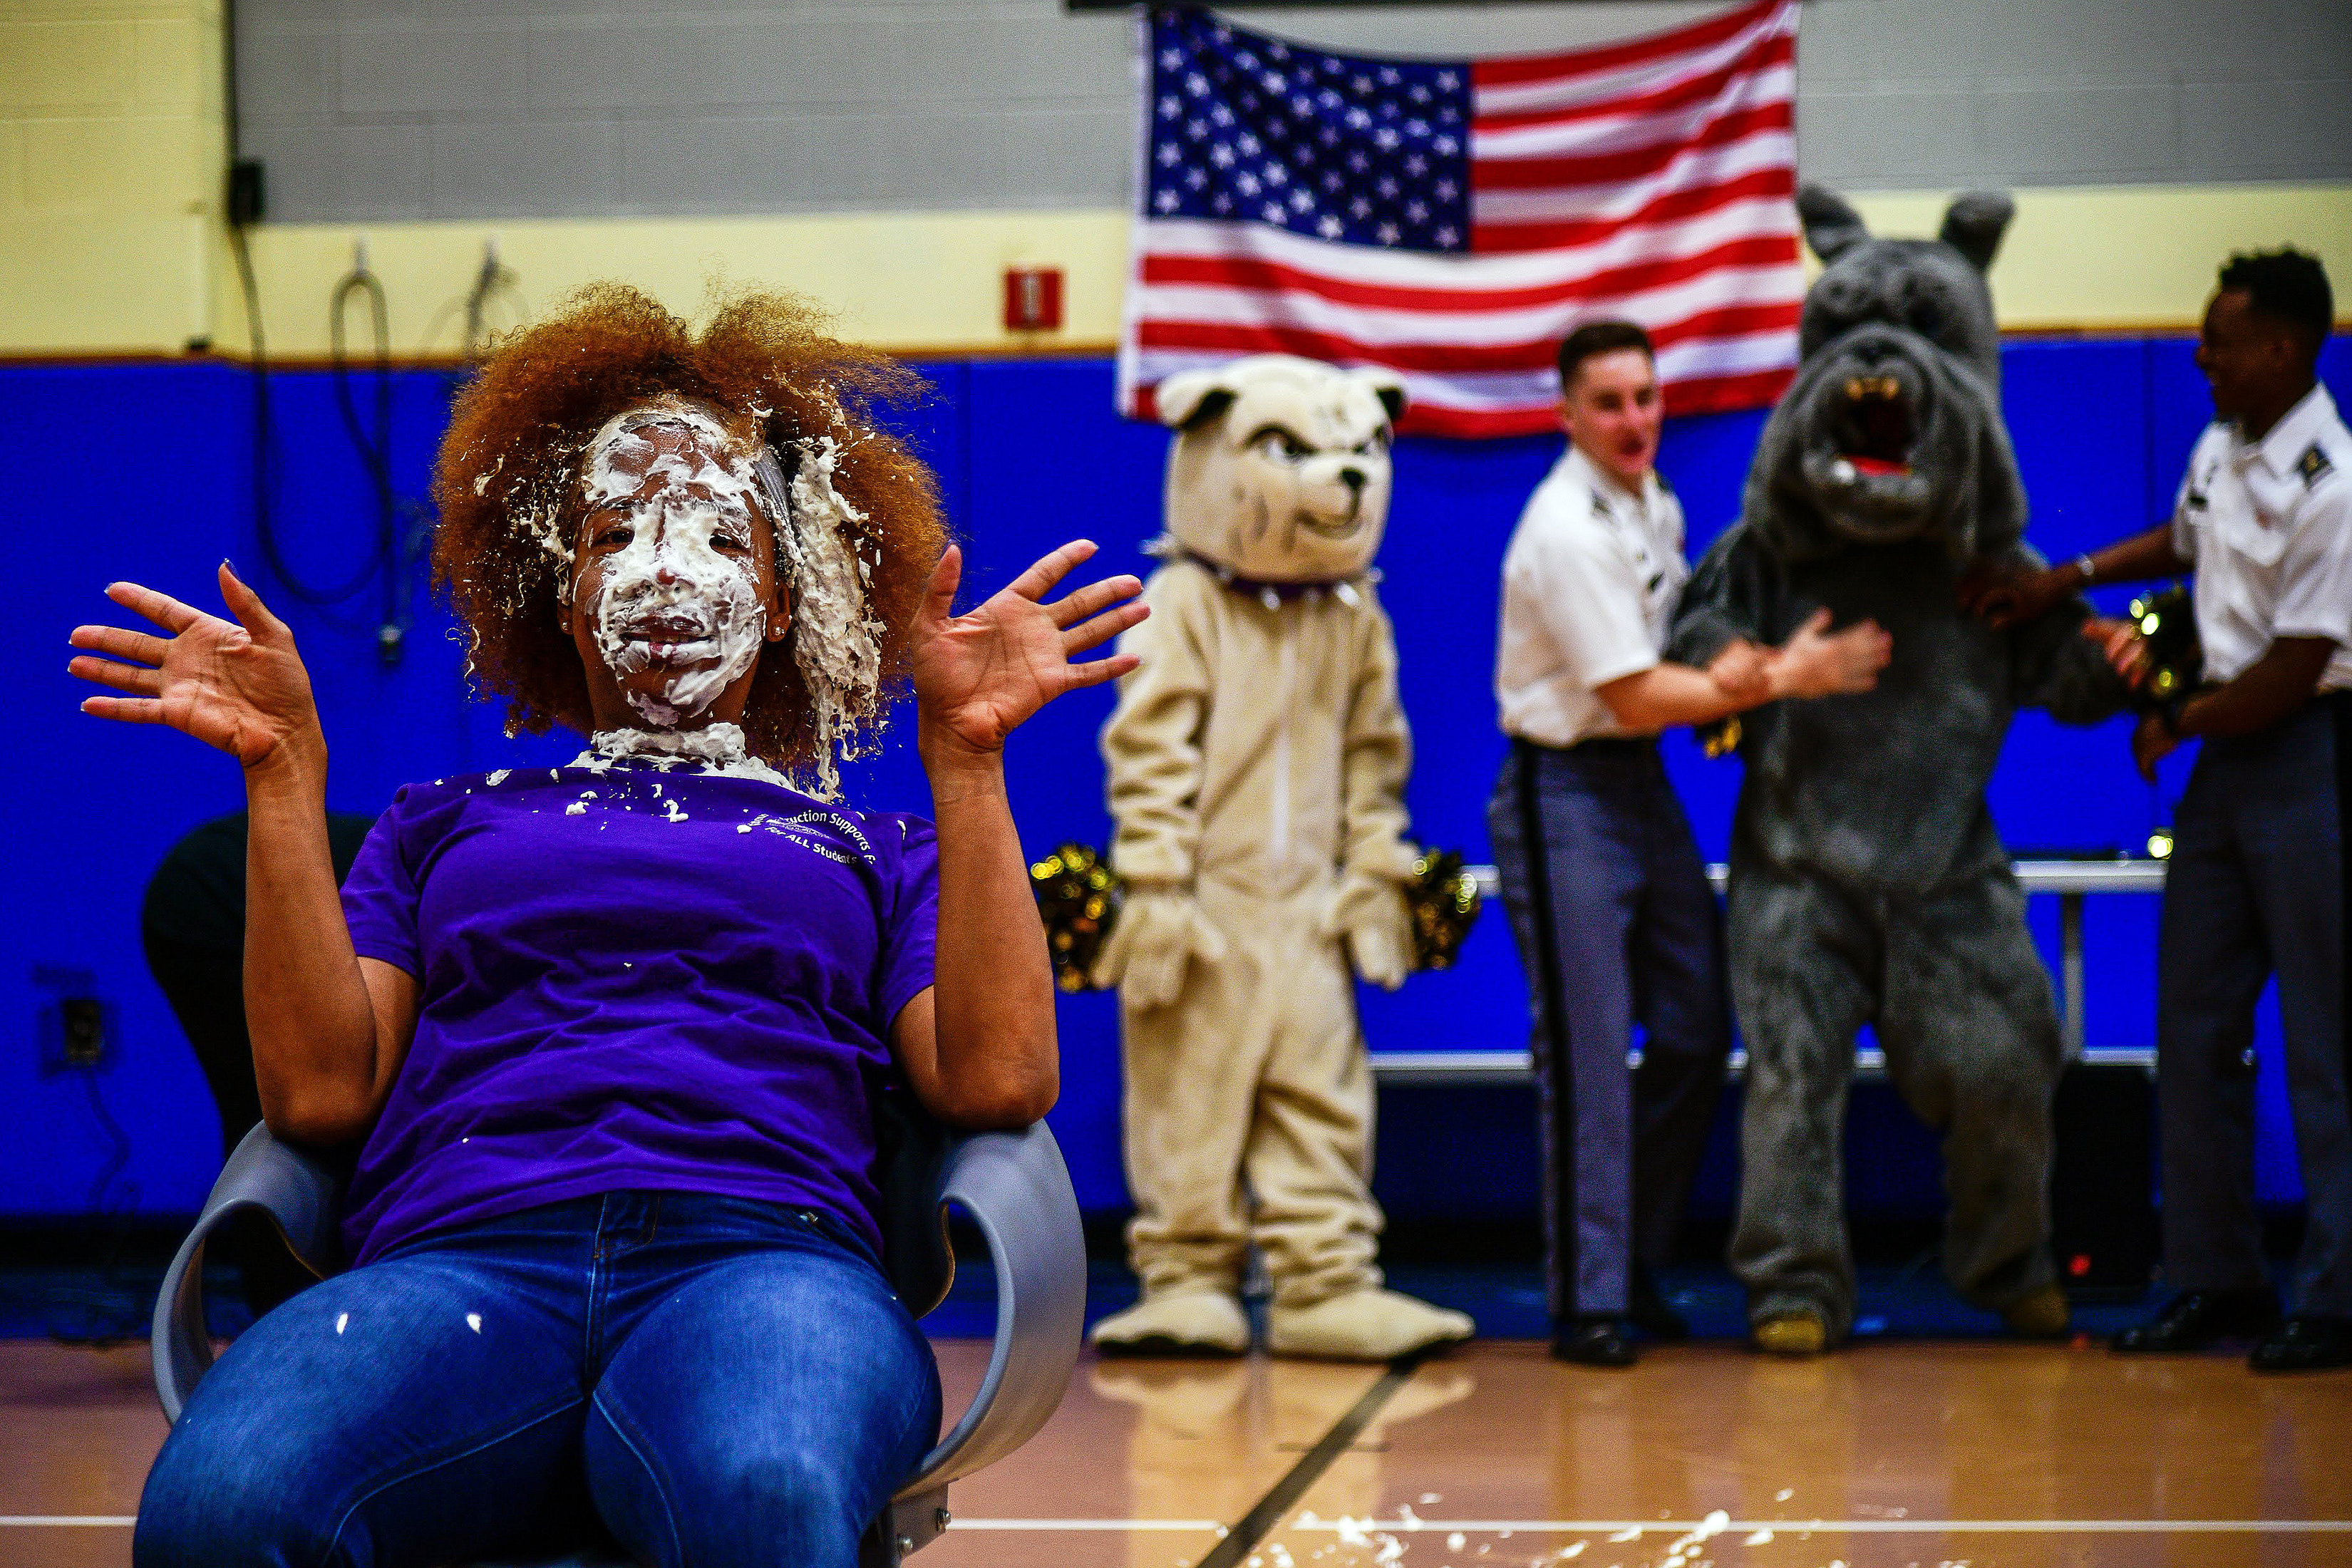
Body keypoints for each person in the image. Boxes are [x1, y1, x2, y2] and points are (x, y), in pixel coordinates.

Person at [71, 284, 1147, 1567]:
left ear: (788, 599)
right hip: (455, 1263)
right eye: (613, 531)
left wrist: (966, 762)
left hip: (764, 1262)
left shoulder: (876, 846)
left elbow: (1000, 1077)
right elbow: (314, 1095)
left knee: (760, 1499)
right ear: (564, 597)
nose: (663, 568)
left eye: (714, 534)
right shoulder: (438, 821)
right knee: (220, 1514)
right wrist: (284, 770)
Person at [1966, 248, 2351, 1373]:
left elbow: (2294, 666)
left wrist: (2179, 714)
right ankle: (2215, 1278)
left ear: (2280, 348)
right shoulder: (2221, 445)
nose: (2200, 353)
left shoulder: (2332, 483)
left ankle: (2332, 1298)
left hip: (2305, 755)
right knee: (2194, 1026)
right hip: (2228, 769)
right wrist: (2062, 579)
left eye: (2219, 338)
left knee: (2324, 1041)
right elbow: (2186, 546)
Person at [1486, 320, 1892, 1366]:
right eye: (1610, 403)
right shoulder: (1563, 528)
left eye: (1646, 398)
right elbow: (1631, 689)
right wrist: (1790, 676)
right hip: (1563, 788)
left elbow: (1675, 665)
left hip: (1638, 784)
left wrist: (1749, 669)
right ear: (1567, 415)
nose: (1634, 421)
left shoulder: (1652, 504)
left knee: (1694, 1026)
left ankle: (1633, 1259)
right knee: (1587, 1051)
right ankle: (1588, 1300)